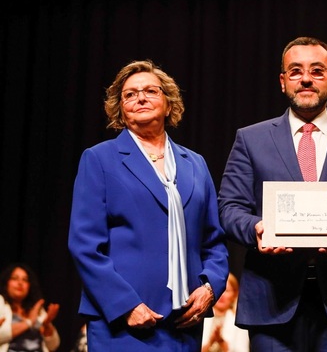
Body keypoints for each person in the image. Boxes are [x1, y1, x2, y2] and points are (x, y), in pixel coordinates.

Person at [217, 36, 327, 351]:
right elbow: (229, 207)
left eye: (317, 71)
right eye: (296, 71)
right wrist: (256, 228)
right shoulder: (251, 139)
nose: (307, 79)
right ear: (283, 81)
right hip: (271, 300)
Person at [68, 59, 229, 351]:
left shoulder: (195, 164)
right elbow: (84, 245)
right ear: (120, 108)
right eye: (130, 94)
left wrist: (210, 288)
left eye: (151, 91)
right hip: (124, 324)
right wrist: (124, 305)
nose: (140, 97)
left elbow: (214, 241)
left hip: (185, 326)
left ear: (168, 104)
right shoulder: (100, 159)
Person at [0, 263, 60, 352]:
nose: (20, 283)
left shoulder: (35, 308)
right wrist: (29, 322)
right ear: (6, 283)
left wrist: (47, 325)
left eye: (25, 280)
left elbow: (53, 345)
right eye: (15, 278)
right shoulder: (1, 303)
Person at [201, 273, 249, 352]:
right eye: (219, 291)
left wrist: (221, 342)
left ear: (234, 294)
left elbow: (243, 350)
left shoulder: (240, 322)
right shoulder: (201, 317)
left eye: (226, 291)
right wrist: (210, 342)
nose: (222, 295)